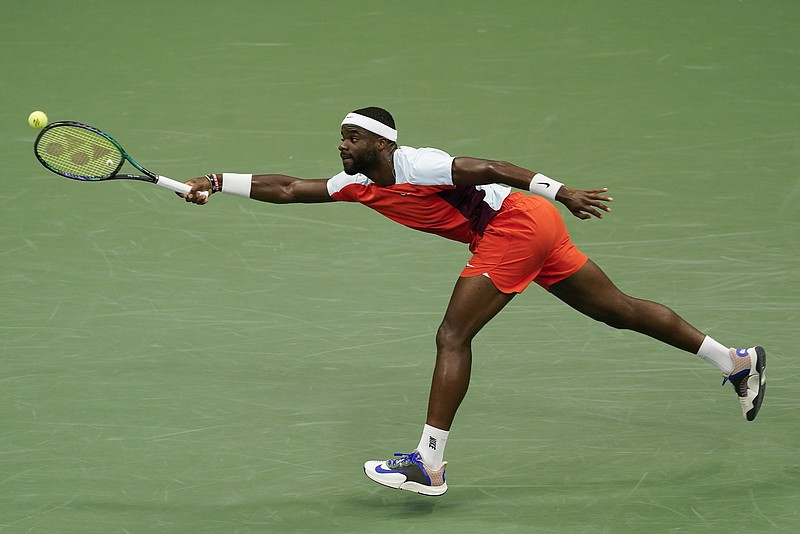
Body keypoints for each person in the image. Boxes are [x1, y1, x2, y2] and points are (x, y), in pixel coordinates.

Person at [180, 106, 766, 497]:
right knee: (619, 311)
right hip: (526, 230)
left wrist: (562, 191)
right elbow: (287, 187)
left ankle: (429, 462)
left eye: (352, 137)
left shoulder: (419, 164)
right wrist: (215, 180)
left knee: (452, 335)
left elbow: (491, 167)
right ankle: (734, 360)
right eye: (341, 138)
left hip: (514, 223)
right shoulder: (355, 184)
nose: (341, 146)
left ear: (380, 142)